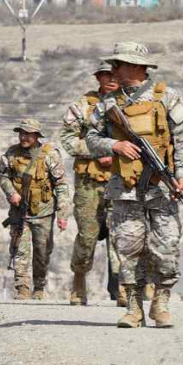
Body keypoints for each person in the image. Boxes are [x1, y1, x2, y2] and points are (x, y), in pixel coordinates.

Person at [84, 42, 183, 329]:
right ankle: (134, 307)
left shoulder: (167, 98)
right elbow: (91, 139)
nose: (113, 71)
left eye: (118, 65)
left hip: (162, 186)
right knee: (129, 246)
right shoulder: (108, 104)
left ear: (135, 67)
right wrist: (116, 144)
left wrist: (182, 176)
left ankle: (160, 303)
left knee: (166, 245)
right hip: (125, 187)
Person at [59, 60, 120, 306]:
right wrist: (97, 151)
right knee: (87, 236)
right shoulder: (82, 106)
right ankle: (79, 282)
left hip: (121, 179)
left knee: (122, 235)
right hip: (89, 181)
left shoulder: (132, 105)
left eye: (114, 73)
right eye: (105, 75)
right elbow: (67, 139)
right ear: (98, 78)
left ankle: (123, 287)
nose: (111, 78)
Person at [0, 118, 70, 300]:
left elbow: (61, 185)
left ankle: (39, 287)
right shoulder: (11, 154)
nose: (23, 137)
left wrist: (62, 214)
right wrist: (10, 193)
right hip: (19, 212)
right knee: (20, 249)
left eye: (28, 134)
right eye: (21, 133)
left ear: (37, 135)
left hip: (43, 213)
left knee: (42, 251)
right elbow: (3, 176)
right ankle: (22, 288)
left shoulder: (49, 154)